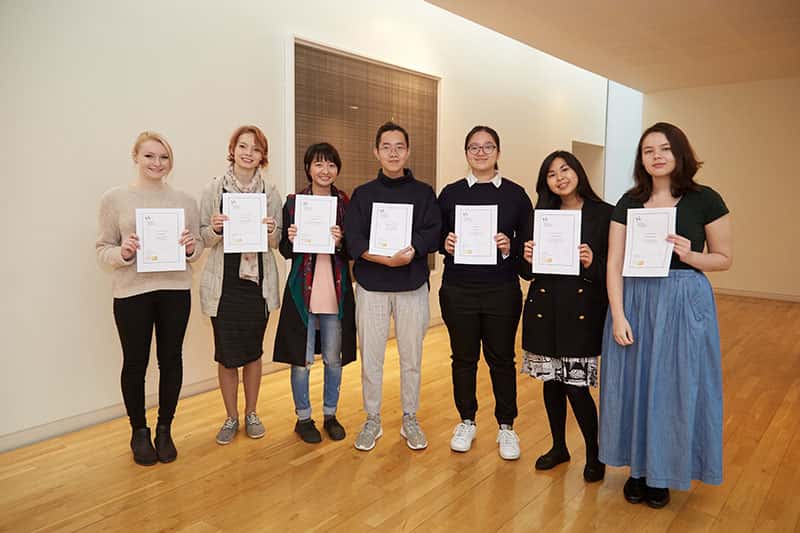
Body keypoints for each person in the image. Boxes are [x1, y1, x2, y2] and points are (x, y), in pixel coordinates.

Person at [600, 122, 733, 508]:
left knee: (674, 387)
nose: (657, 156)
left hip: (682, 298)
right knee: (633, 385)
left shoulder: (705, 199)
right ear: (641, 159)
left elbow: (724, 259)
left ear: (680, 154)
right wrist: (619, 314)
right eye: (648, 150)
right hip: (636, 300)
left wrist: (690, 254)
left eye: (665, 149)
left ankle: (663, 472)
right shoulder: (628, 202)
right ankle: (637, 470)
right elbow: (614, 262)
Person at [96, 131, 203, 465]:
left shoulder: (185, 200)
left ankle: (164, 428)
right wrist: (124, 252)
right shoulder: (114, 199)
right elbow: (102, 249)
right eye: (150, 156)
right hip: (132, 293)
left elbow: (197, 247)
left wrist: (189, 248)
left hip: (175, 291)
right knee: (135, 363)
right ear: (136, 158)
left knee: (171, 360)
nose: (157, 163)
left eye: (164, 157)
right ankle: (138, 431)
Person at [343, 121, 441, 451]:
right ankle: (372, 419)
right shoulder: (363, 193)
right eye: (387, 146)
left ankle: (409, 417)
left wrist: (412, 249)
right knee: (371, 357)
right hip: (372, 285)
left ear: (408, 151)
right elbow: (353, 237)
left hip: (412, 285)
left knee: (411, 357)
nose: (393, 152)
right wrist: (380, 259)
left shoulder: (424, 192)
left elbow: (432, 232)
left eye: (399, 146)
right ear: (376, 152)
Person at [437, 126, 532, 460]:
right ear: (466, 153)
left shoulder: (516, 195)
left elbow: (530, 244)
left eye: (487, 146)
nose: (480, 152)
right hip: (458, 290)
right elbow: (436, 236)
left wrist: (511, 247)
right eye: (474, 147)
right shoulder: (449, 194)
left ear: (498, 152)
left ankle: (507, 426)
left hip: (501, 290)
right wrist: (444, 244)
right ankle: (466, 420)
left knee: (502, 360)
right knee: (463, 360)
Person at [519, 151, 612, 481]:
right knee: (551, 383)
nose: (560, 177)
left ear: (578, 172)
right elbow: (526, 272)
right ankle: (559, 446)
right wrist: (527, 257)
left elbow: (613, 270)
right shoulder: (542, 214)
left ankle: (594, 453)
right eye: (551, 174)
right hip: (545, 308)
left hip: (582, 311)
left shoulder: (604, 214)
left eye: (565, 169)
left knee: (576, 386)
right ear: (545, 182)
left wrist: (591, 262)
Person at [199, 125, 282, 445]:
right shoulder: (215, 189)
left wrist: (273, 228)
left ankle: (251, 412)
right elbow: (202, 235)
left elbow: (275, 242)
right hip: (225, 285)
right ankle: (231, 416)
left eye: (256, 149)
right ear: (232, 149)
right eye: (243, 146)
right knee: (226, 354)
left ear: (263, 156)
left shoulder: (269, 192)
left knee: (252, 353)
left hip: (256, 285)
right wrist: (216, 228)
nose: (249, 153)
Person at [273, 142, 356, 443]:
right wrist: (292, 239)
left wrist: (340, 241)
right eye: (319, 164)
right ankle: (303, 417)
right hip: (302, 292)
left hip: (335, 291)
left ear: (337, 169)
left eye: (331, 165)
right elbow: (283, 248)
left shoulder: (344, 202)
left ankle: (330, 414)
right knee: (302, 359)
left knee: (334, 358)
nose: (325, 170)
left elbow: (352, 249)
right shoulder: (294, 203)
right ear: (308, 168)